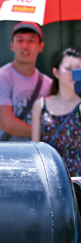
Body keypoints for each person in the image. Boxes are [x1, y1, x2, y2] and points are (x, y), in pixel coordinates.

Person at [0, 22, 53, 141]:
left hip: (42, 154)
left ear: (41, 46)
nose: (25, 45)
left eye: (31, 41)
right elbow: (7, 124)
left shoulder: (49, 84)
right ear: (12, 45)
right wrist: (47, 133)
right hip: (10, 155)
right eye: (20, 40)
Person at [31, 47, 81, 176]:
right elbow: (35, 148)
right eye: (68, 69)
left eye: (78, 68)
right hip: (50, 176)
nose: (73, 73)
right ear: (56, 72)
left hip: (77, 178)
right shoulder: (40, 105)